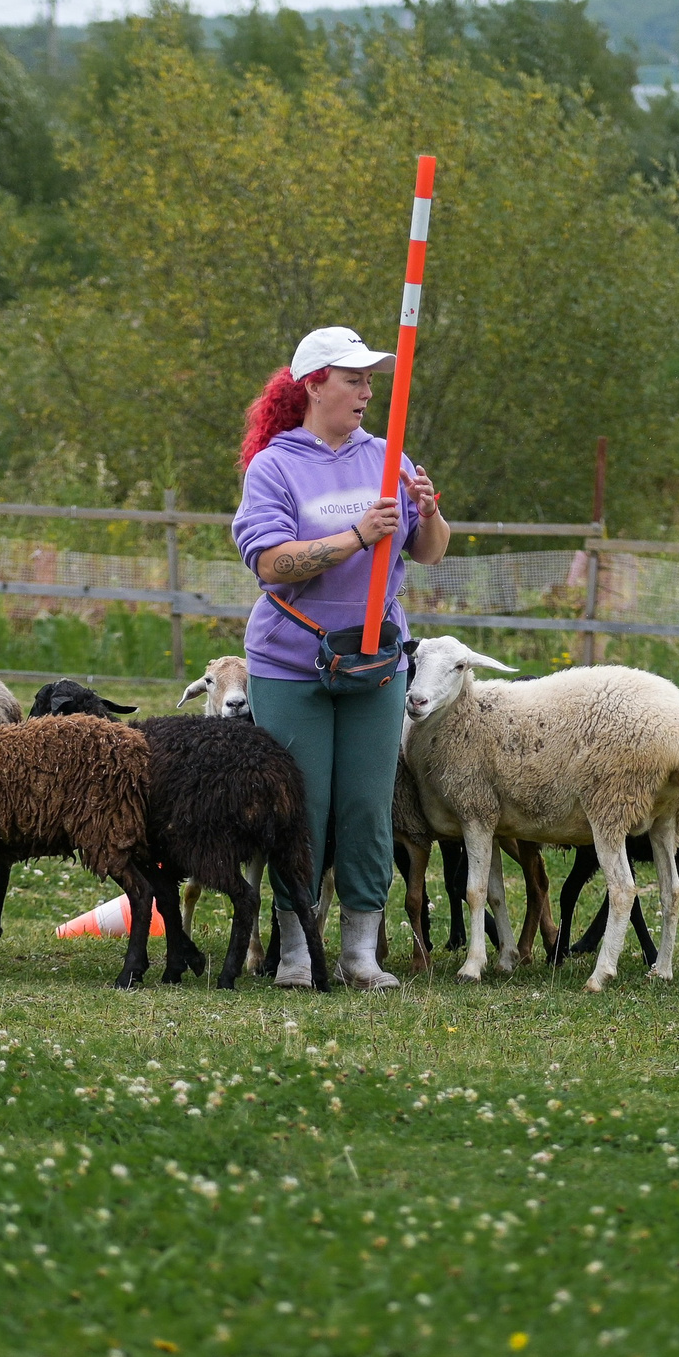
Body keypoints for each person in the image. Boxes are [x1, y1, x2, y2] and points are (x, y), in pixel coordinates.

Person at [231, 326, 451, 988]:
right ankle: (297, 951)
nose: (366, 389)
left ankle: (361, 953)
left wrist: (428, 511)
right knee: (303, 809)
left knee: (364, 806)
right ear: (313, 384)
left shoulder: (388, 457)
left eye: (369, 379)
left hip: (375, 661)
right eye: (352, 378)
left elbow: (431, 551)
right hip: (291, 663)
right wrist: (356, 534)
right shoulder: (274, 465)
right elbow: (270, 562)